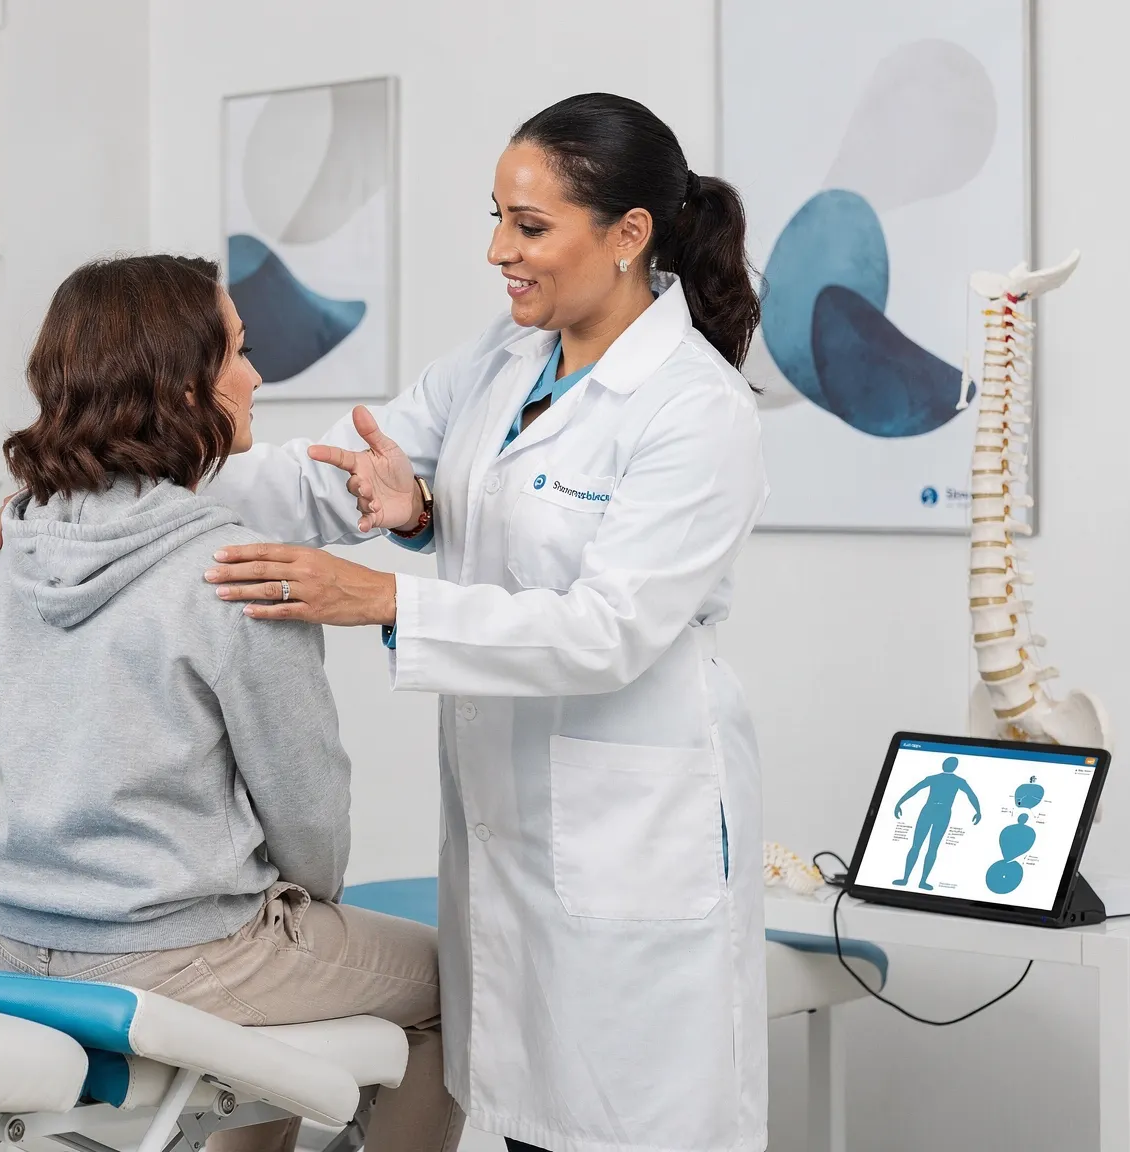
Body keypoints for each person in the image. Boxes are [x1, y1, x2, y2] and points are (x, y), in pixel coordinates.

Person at [196, 94, 772, 1152]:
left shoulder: (693, 410)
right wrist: (104, 486)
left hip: (630, 838)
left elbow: (606, 630)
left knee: (616, 1123)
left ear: (628, 234)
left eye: (530, 226)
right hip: (505, 830)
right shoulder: (502, 362)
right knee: (515, 1119)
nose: (499, 250)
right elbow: (331, 473)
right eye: (495, 218)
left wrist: (379, 594)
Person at [0, 255, 462, 1152]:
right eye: (236, 351)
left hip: (12, 938)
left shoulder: (19, 542)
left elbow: (20, 718)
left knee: (275, 1003)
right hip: (170, 951)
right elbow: (308, 809)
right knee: (456, 989)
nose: (256, 376)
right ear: (183, 384)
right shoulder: (236, 568)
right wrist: (305, 910)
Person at [892, 756, 983, 890]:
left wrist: (900, 803)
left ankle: (915, 880)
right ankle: (914, 880)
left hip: (933, 812)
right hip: (938, 812)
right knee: (924, 847)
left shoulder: (936, 778)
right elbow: (971, 795)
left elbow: (914, 790)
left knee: (923, 847)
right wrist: (978, 811)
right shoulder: (955, 780)